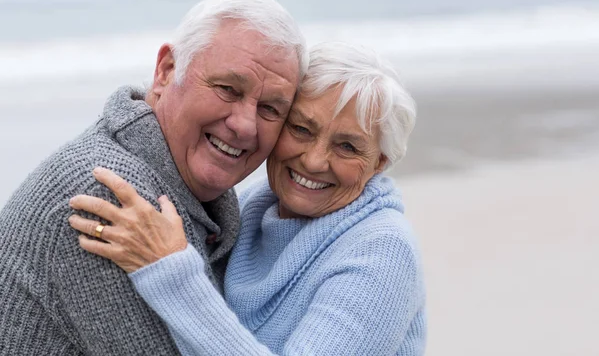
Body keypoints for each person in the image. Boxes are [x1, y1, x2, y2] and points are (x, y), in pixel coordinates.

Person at [69, 42, 427, 355]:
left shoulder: (381, 251)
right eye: (302, 129)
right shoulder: (253, 206)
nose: (315, 160)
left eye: (347, 147)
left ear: (379, 163)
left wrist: (172, 271)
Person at [0, 0, 307, 355]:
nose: (245, 126)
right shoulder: (112, 198)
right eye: (227, 89)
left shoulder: (188, 192)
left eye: (271, 109)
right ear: (165, 71)